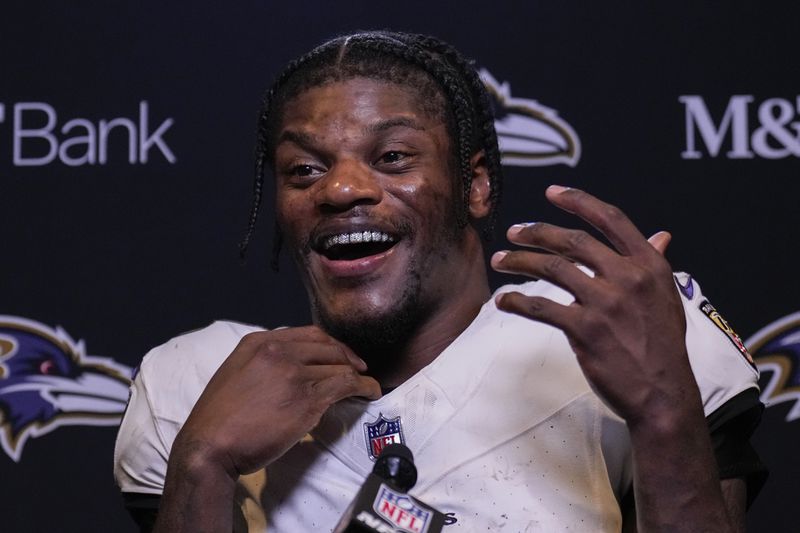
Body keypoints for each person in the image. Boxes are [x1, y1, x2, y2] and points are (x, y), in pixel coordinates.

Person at [114, 31, 765, 532]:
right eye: (304, 169)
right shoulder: (198, 385)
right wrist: (201, 464)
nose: (340, 188)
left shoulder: (600, 332)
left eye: (392, 157)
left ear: (474, 185)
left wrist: (662, 411)